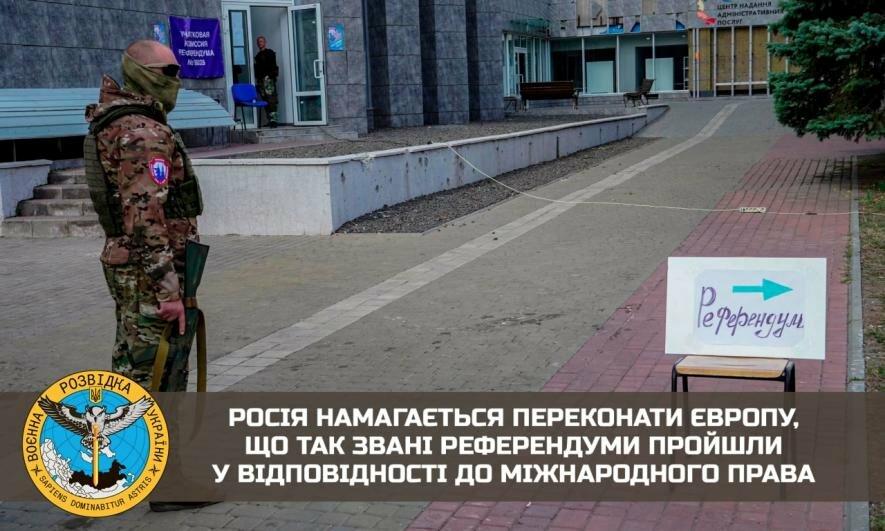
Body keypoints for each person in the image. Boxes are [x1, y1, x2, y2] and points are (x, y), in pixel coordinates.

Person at [83, 39, 210, 512]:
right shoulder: (142, 130)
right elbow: (145, 216)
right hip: (151, 275)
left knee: (133, 368)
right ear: (139, 73)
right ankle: (164, 482)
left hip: (133, 271)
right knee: (161, 372)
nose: (176, 80)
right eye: (167, 72)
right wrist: (169, 290)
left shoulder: (117, 120)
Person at [253, 36, 279, 127]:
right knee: (265, 100)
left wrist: (269, 76)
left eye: (261, 41)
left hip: (268, 81)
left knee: (271, 100)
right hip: (261, 81)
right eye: (258, 42)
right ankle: (269, 120)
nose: (259, 43)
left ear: (265, 42)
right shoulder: (257, 56)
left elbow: (274, 67)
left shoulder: (270, 53)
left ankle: (274, 121)